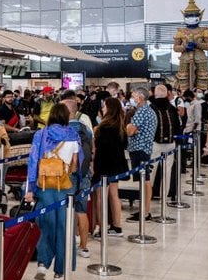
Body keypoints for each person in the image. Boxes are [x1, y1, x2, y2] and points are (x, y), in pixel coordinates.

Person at [24, 103, 82, 280]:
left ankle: (42, 262)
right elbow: (75, 165)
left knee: (45, 224)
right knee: (64, 228)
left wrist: (30, 189)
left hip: (44, 186)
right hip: (64, 187)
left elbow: (33, 161)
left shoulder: (41, 135)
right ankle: (59, 273)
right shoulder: (73, 136)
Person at [62, 94, 93, 257]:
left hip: (68, 174)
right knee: (82, 210)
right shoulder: (85, 129)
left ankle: (67, 243)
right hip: (85, 172)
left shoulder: (64, 130)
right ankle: (84, 246)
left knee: (66, 208)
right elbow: (92, 150)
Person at [92, 97, 127, 236]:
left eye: (105, 106)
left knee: (101, 196)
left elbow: (99, 148)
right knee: (114, 195)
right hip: (116, 164)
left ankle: (102, 227)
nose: (103, 108)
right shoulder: (120, 125)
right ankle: (117, 226)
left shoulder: (102, 127)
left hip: (103, 164)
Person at [125, 87, 157, 221]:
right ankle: (144, 209)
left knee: (145, 180)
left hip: (140, 149)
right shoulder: (148, 111)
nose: (131, 98)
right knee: (144, 180)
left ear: (140, 97)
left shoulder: (142, 112)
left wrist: (129, 127)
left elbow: (130, 131)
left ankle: (145, 211)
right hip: (144, 148)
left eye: (133, 96)